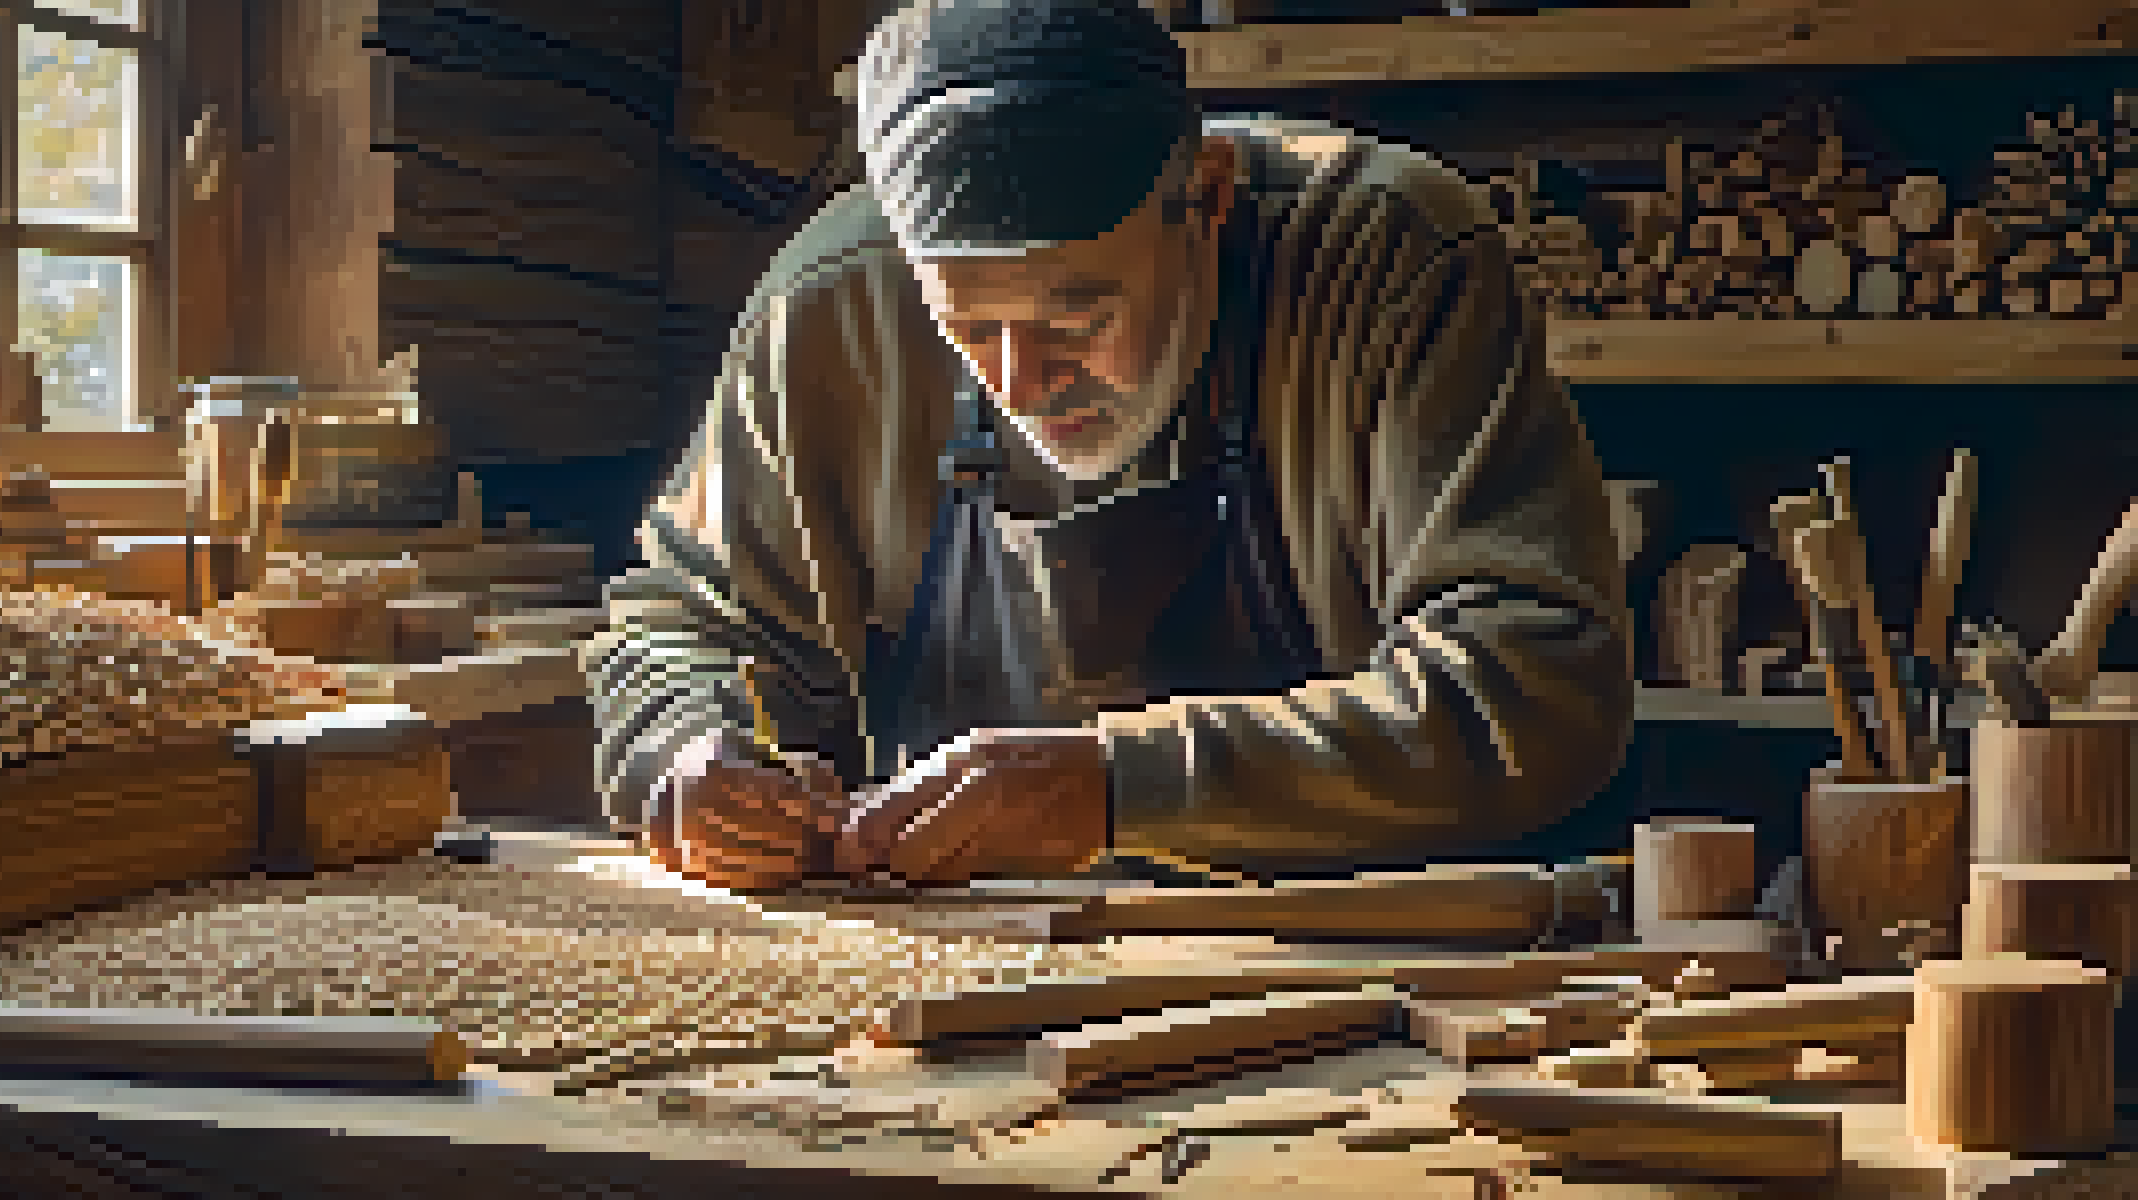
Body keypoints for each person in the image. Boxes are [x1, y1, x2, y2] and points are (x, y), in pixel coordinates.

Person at [579, 0, 1634, 891]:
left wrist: (1119, 787)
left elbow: (1534, 682)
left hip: (1357, 979)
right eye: (964, 329)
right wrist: (685, 750)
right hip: (961, 985)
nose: (1020, 382)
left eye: (1077, 322)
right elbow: (677, 625)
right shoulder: (828, 306)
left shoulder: (1385, 255)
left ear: (1207, 201)